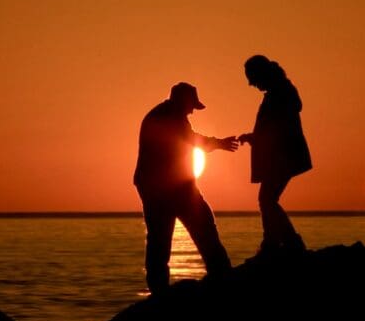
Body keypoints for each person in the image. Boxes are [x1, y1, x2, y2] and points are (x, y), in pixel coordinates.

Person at [133, 82, 239, 293]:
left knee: (159, 239)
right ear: (183, 101)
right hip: (169, 188)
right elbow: (191, 139)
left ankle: (159, 290)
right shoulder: (169, 117)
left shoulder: (165, 115)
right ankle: (222, 278)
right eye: (192, 106)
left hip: (163, 186)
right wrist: (219, 143)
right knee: (199, 230)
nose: (193, 111)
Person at [238, 55, 312, 259]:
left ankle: (284, 244)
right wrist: (254, 137)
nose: (250, 83)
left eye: (251, 77)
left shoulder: (280, 94)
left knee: (267, 199)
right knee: (268, 199)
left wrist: (256, 138)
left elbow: (278, 128)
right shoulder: (280, 92)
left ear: (261, 74)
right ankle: (278, 243)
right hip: (282, 155)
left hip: (283, 156)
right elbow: (273, 127)